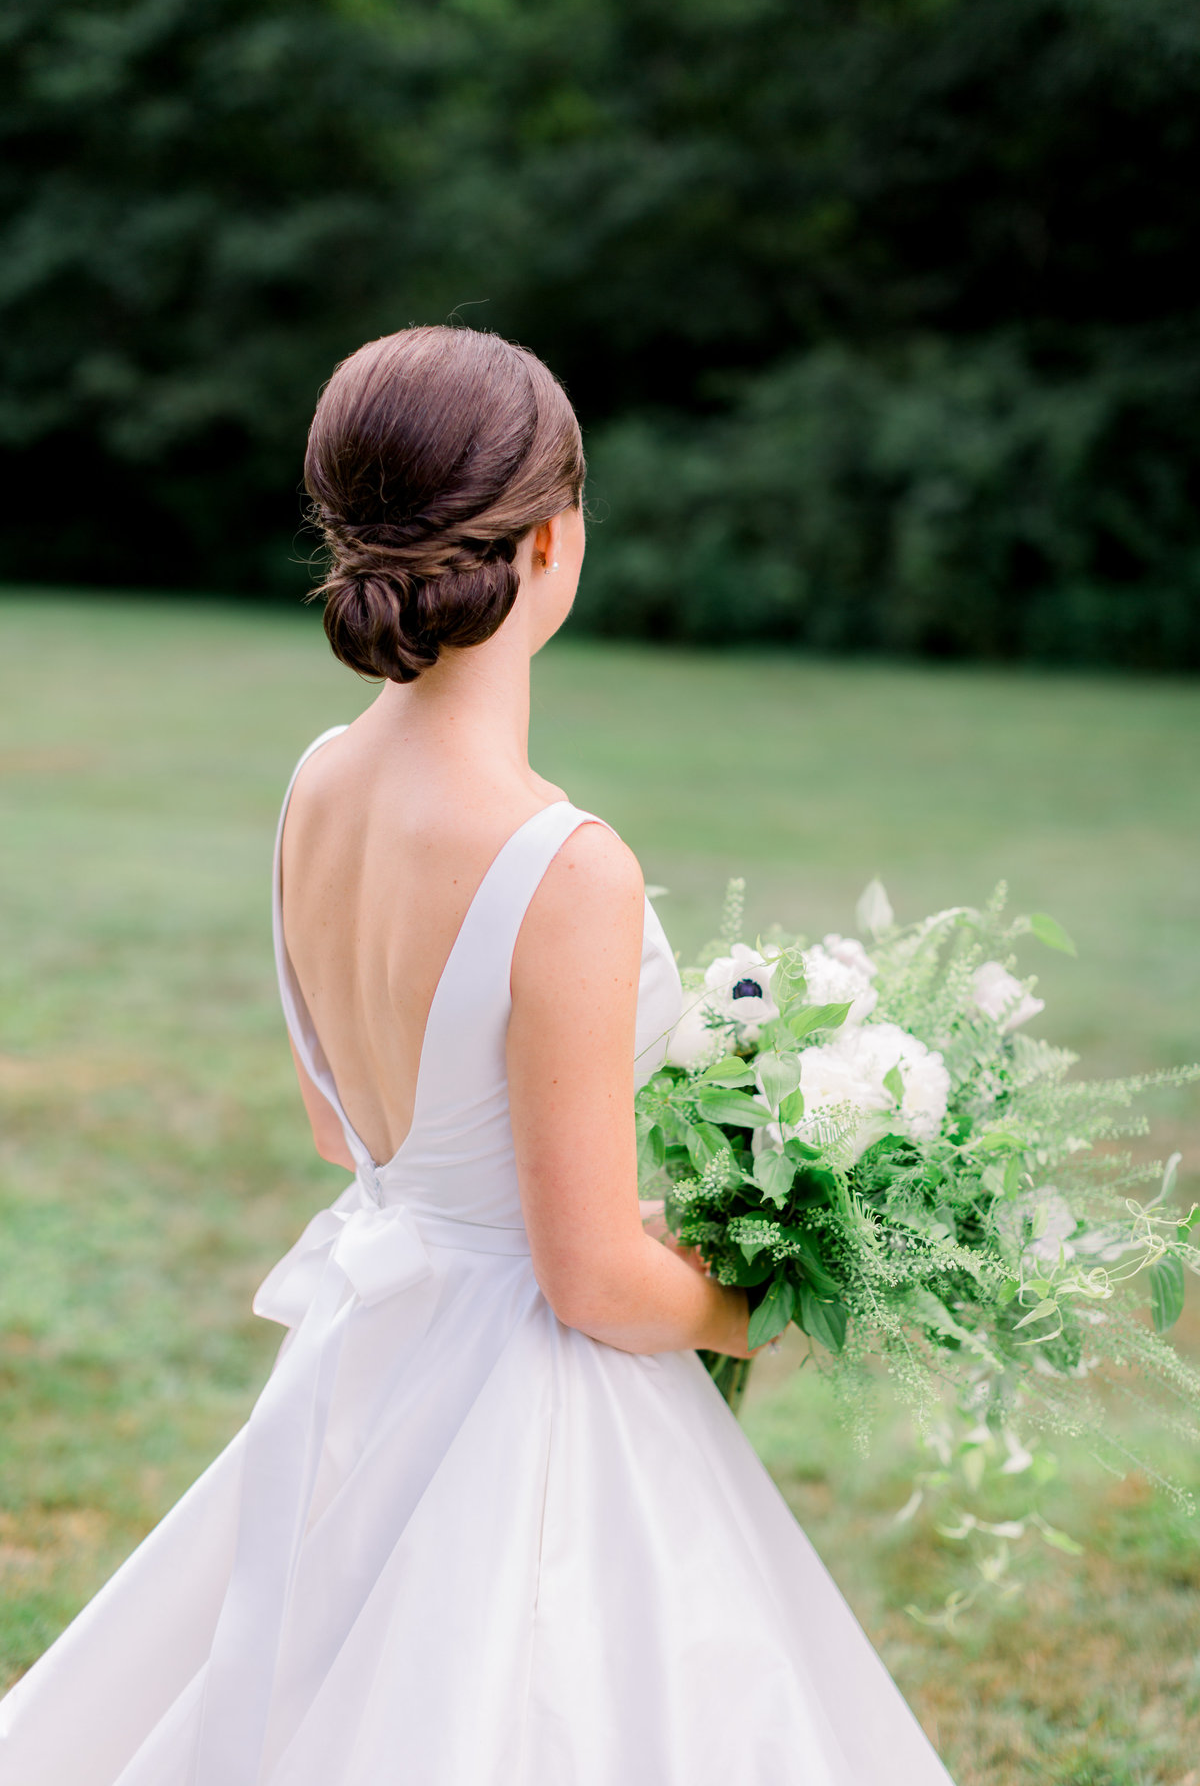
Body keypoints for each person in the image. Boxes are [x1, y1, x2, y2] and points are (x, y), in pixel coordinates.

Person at [0, 326, 956, 1785]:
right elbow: (588, 1280)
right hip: (527, 1403)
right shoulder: (561, 863)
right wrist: (798, 1307)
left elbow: (348, 1135)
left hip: (367, 1358)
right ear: (557, 539)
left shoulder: (316, 784)